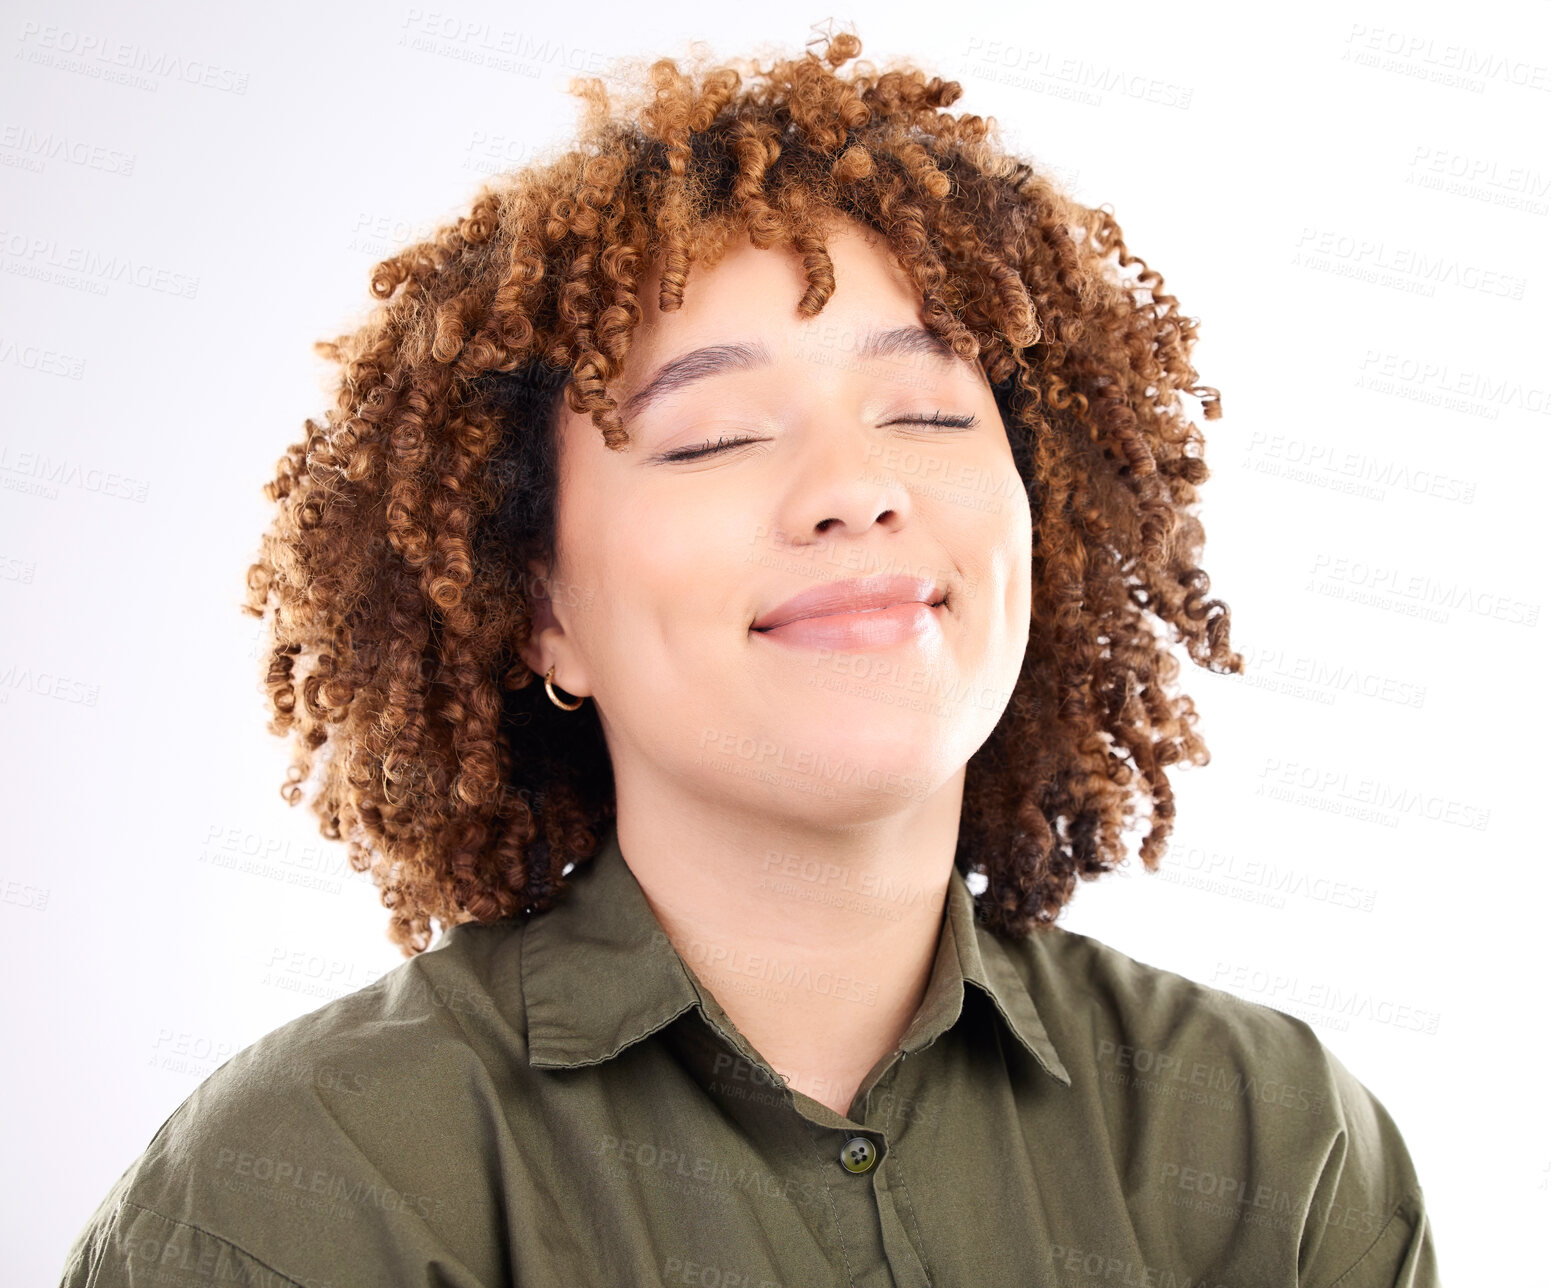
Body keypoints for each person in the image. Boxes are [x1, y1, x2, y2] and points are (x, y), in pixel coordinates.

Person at [58, 27, 1439, 1287]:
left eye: (927, 412)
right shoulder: (304, 1197)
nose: (855, 486)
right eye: (715, 435)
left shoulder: (1274, 1148)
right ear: (540, 608)